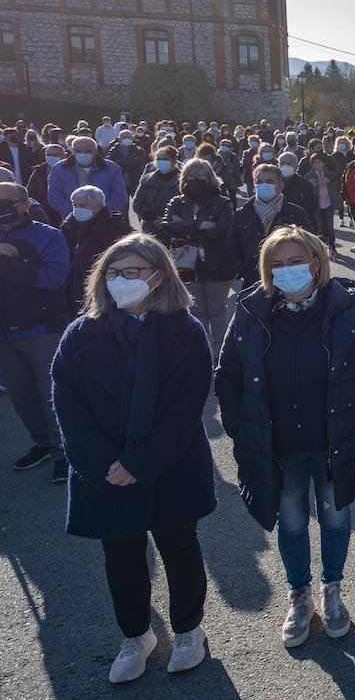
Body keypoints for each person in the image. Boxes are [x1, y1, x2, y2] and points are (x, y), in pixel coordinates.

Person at [52, 234, 214, 681]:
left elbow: (186, 409)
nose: (120, 280)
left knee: (179, 548)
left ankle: (188, 629)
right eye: (113, 271)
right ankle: (135, 635)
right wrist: (102, 463)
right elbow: (67, 403)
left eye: (133, 272)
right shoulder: (82, 333)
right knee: (120, 555)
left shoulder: (185, 331)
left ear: (158, 276)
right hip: (103, 470)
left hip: (171, 464)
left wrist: (140, 463)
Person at [216, 226, 355, 647]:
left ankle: (332, 589)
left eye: (296, 261)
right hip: (280, 445)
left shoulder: (350, 307)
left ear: (316, 262)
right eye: (277, 265)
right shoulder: (251, 311)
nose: (287, 271)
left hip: (334, 438)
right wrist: (241, 427)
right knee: (290, 521)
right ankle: (299, 594)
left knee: (334, 516)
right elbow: (229, 374)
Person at [0, 181, 71, 483]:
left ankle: (64, 452)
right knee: (22, 396)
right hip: (4, 333)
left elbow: (53, 278)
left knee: (52, 395)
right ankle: (43, 443)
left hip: (40, 329)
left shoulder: (48, 236)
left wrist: (10, 260)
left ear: (26, 204)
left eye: (7, 201)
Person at [161, 159, 236, 352]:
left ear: (210, 178)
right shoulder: (176, 202)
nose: (196, 181)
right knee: (195, 310)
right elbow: (168, 226)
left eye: (201, 177)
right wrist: (199, 224)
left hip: (217, 264)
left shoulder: (222, 203)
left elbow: (222, 230)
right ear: (184, 179)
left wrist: (184, 227)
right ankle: (202, 351)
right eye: (192, 177)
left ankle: (222, 354)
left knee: (218, 310)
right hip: (185, 263)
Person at [228, 165, 311, 286]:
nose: (264, 185)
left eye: (269, 181)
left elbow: (308, 246)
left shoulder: (296, 213)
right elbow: (232, 246)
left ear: (281, 185)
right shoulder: (242, 214)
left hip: (289, 280)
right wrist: (244, 270)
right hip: (253, 280)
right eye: (259, 182)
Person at [59, 185, 132, 316]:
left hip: (103, 288)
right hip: (71, 289)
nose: (76, 209)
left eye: (81, 205)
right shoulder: (68, 226)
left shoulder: (116, 228)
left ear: (98, 205)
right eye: (74, 205)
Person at [48, 135, 129, 221]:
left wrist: (102, 214)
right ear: (72, 151)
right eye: (78, 151)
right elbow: (54, 196)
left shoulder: (112, 168)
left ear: (95, 151)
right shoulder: (59, 169)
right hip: (72, 221)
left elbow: (120, 195)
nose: (83, 154)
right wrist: (74, 213)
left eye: (87, 151)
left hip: (104, 222)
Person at [306, 153, 339, 254]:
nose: (317, 164)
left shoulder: (329, 174)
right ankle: (321, 247)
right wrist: (310, 184)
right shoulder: (309, 176)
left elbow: (337, 177)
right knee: (320, 227)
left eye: (319, 162)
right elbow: (303, 182)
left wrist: (329, 180)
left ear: (324, 163)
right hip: (317, 205)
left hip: (328, 203)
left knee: (329, 227)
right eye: (315, 163)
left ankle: (332, 246)